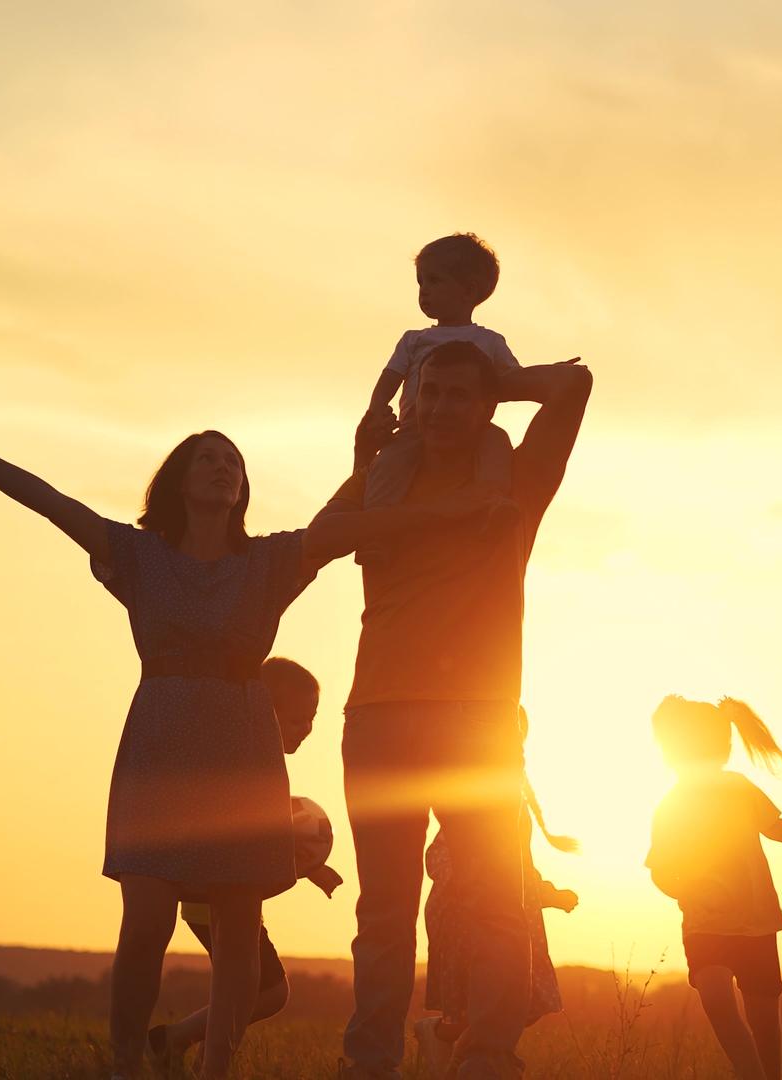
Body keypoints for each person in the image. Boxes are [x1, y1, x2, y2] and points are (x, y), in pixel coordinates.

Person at [0, 415, 488, 1080]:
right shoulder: (139, 556)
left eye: (232, 462)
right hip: (162, 741)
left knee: (239, 931)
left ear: (242, 489)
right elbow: (49, 501)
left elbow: (352, 527)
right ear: (179, 481)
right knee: (146, 917)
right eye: (207, 459)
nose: (222, 468)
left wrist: (443, 503)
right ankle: (124, 1063)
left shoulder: (268, 561)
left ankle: (214, 1071)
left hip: (242, 749)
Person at [322, 346, 593, 1080]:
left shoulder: (517, 481)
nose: (439, 408)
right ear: (410, 402)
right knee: (383, 910)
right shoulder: (381, 480)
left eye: (456, 397)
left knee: (495, 897)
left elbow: (574, 383)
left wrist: (493, 381)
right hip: (379, 716)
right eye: (428, 394)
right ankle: (370, 1061)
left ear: (486, 410)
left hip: (477, 717)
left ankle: (488, 1057)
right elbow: (312, 545)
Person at [645, 696, 782, 1080]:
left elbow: (774, 826)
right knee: (716, 998)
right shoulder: (671, 805)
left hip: (757, 922)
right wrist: (687, 892)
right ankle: (751, 1073)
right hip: (705, 925)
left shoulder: (739, 789)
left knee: (765, 1024)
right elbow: (660, 870)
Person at [148, 656, 345, 1073]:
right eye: (297, 719)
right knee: (261, 991)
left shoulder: (264, 763)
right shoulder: (248, 763)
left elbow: (263, 835)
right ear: (263, 710)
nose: (306, 729)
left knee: (249, 988)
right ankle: (185, 1046)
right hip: (213, 895)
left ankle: (191, 1050)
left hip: (225, 894)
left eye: (311, 720)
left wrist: (308, 865)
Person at [415, 713, 580, 1077]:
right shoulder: (471, 801)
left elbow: (519, 865)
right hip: (467, 915)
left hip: (513, 910)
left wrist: (546, 894)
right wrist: (461, 892)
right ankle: (477, 1056)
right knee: (487, 1000)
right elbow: (443, 858)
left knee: (521, 1001)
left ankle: (459, 1044)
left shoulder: (512, 801)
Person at [361, 233, 523, 505]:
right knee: (388, 465)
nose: (424, 290)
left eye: (434, 280)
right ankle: (374, 533)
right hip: (415, 429)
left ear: (468, 290)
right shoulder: (414, 340)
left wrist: (549, 372)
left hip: (473, 428)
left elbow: (513, 379)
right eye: (421, 282)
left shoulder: (489, 341)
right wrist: (376, 409)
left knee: (497, 444)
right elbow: (391, 376)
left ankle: (491, 505)